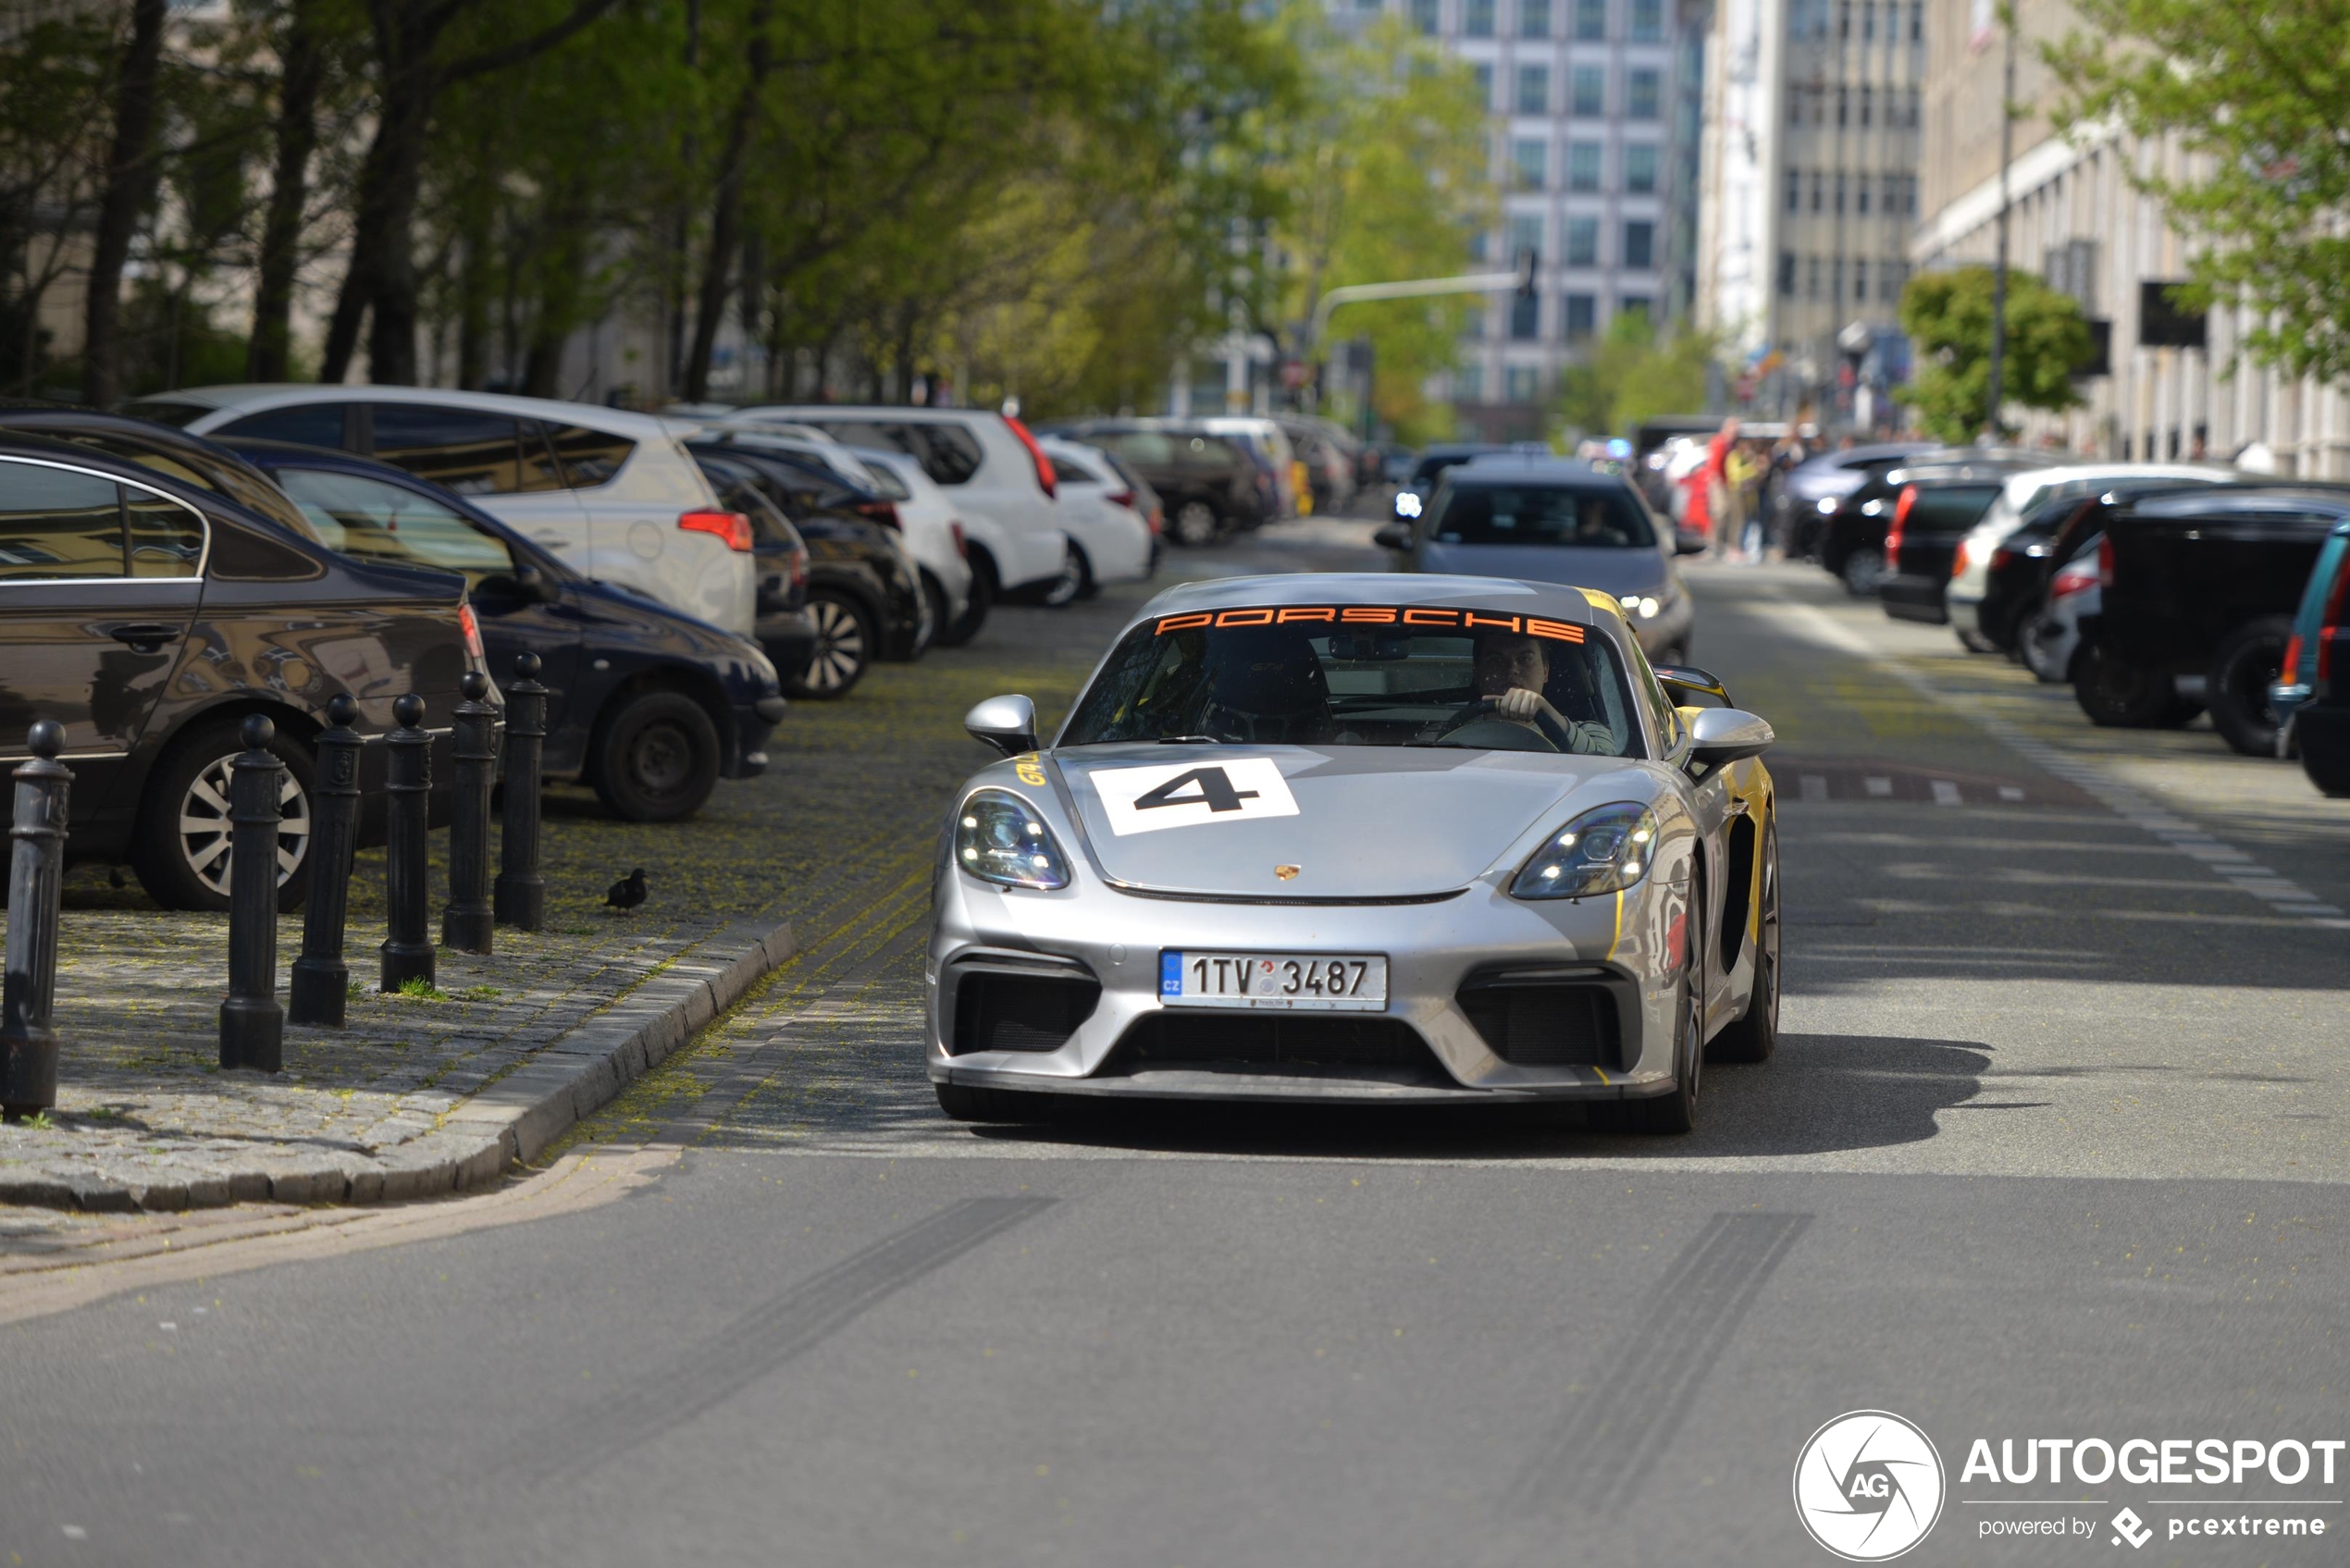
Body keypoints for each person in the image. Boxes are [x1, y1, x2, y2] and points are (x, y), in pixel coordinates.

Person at [1705, 418, 1740, 558]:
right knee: (1720, 512)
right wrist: (1718, 483)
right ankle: (1713, 544)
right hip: (1718, 482)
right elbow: (1714, 465)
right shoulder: (1720, 442)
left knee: (1727, 514)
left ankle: (1720, 544)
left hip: (1727, 483)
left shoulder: (1731, 445)